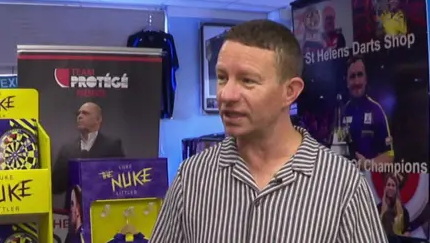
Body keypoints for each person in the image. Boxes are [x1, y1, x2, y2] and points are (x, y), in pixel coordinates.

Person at [150, 19, 387, 243]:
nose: (227, 95)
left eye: (248, 81)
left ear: (290, 92)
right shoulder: (192, 178)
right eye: (222, 78)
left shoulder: (342, 185)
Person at [52, 102, 125, 194]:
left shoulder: (112, 145)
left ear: (98, 119)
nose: (79, 116)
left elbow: (121, 180)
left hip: (101, 204)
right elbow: (56, 186)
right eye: (78, 114)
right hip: (74, 206)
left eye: (85, 113)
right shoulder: (67, 149)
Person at [342, 55, 394, 169]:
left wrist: (368, 164)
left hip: (369, 182)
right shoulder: (343, 113)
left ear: (366, 79)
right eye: (352, 76)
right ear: (346, 82)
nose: (356, 81)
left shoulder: (377, 110)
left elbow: (390, 155)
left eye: (360, 75)